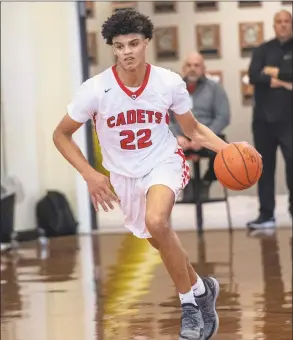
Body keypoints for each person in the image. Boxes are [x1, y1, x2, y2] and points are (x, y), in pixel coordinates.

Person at [53, 10, 234, 340]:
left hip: (162, 161)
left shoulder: (167, 82)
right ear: (113, 49)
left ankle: (189, 307)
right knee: (158, 237)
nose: (127, 52)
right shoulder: (95, 89)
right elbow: (60, 135)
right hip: (124, 176)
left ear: (146, 42)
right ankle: (201, 288)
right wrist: (90, 174)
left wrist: (229, 150)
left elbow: (193, 130)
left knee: (157, 222)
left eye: (134, 43)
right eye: (119, 46)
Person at [247, 10, 293, 230]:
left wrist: (275, 72)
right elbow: (254, 75)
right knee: (264, 169)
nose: (283, 25)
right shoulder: (262, 49)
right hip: (263, 120)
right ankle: (266, 215)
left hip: (290, 120)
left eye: (287, 21)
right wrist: (285, 79)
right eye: (279, 22)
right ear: (273, 25)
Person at [170, 52, 230, 201]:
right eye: (189, 65)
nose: (192, 69)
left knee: (226, 155)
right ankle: (188, 183)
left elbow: (223, 117)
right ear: (183, 68)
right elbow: (165, 118)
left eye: (197, 65)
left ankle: (205, 182)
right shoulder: (173, 89)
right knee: (160, 153)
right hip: (179, 137)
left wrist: (204, 138)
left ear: (204, 68)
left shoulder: (215, 89)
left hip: (207, 135)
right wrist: (176, 136)